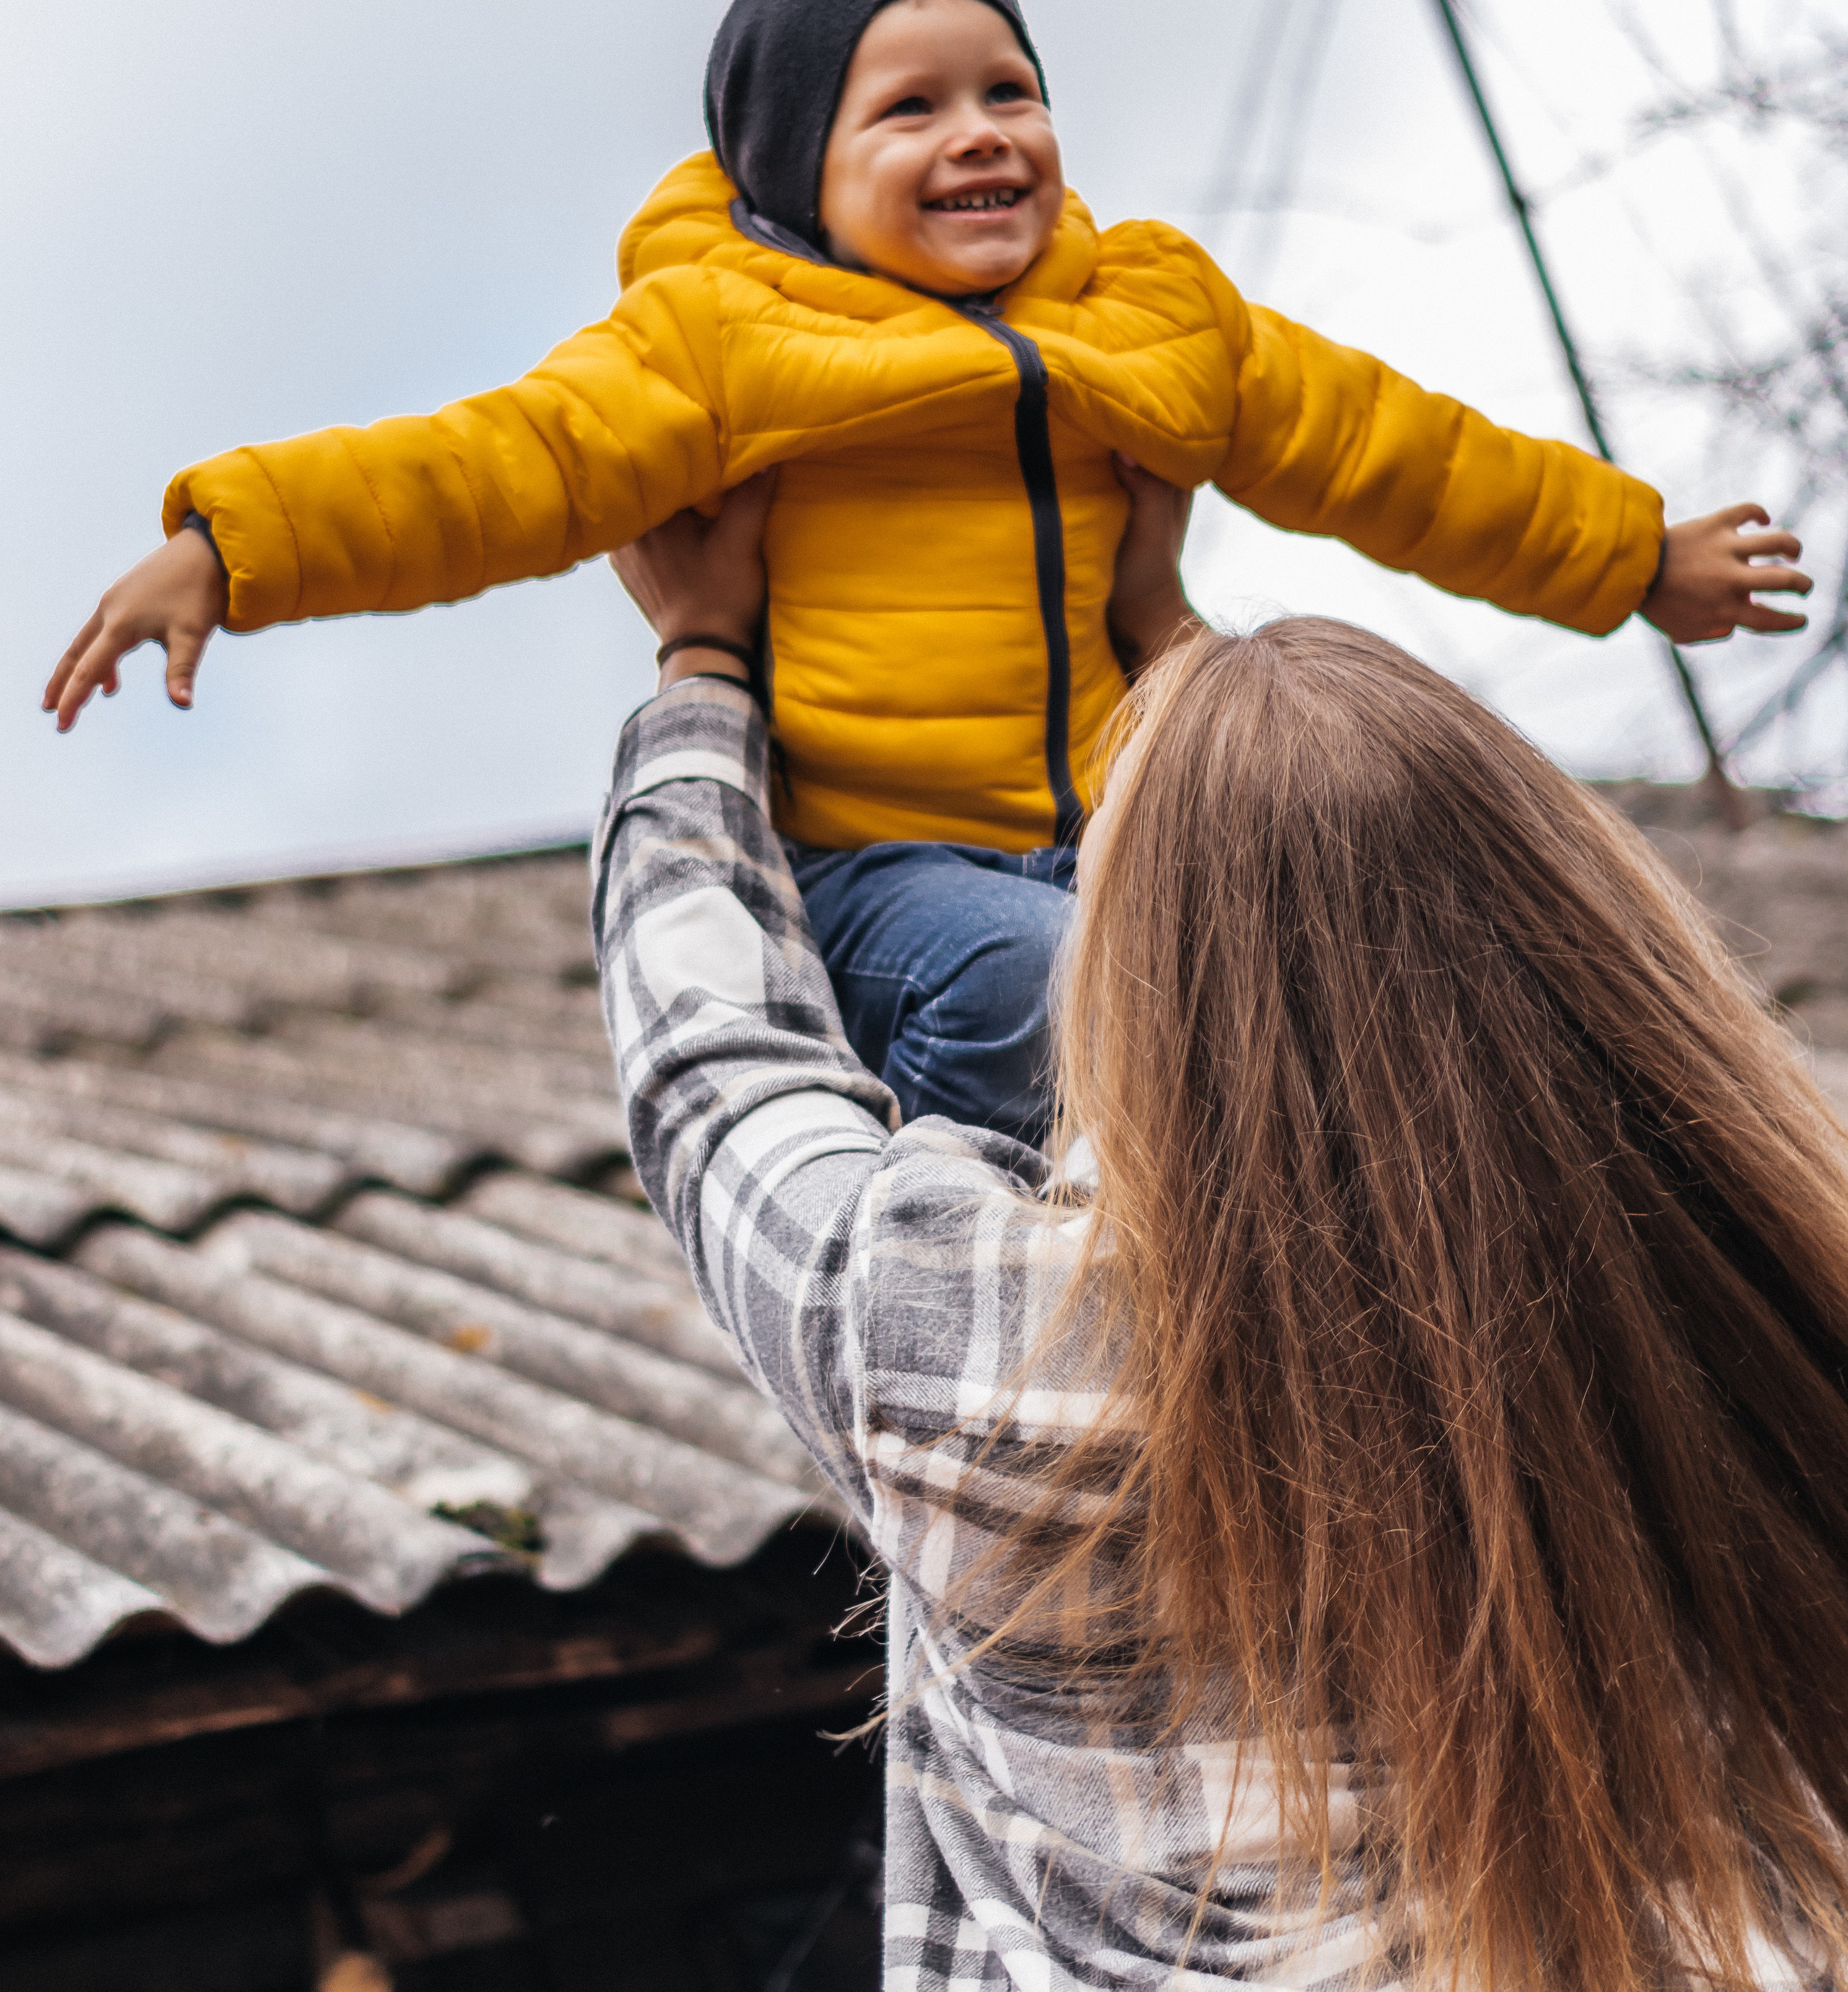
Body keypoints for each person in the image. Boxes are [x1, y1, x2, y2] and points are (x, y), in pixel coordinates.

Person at [45, 0, 1808, 1139]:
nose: (980, 139)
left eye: (1008, 92)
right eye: (910, 110)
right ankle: (1053, 1232)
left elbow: (1385, 447)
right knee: (1043, 1001)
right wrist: (235, 546)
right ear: (796, 170)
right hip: (885, 868)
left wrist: (1629, 556)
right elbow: (491, 465)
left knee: (1366, 974)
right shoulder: (721, 343)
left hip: (1133, 818)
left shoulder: (1149, 313)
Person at [597, 482, 1848, 1992]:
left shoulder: (982, 1354)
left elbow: (709, 1054)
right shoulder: (1766, 1304)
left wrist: (701, 663)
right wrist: (1168, 651)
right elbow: (1363, 929)